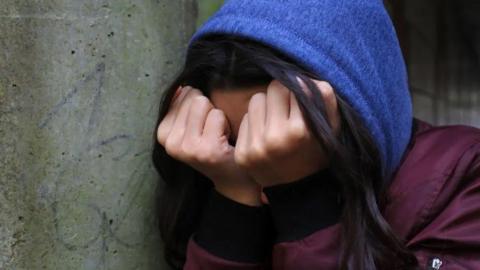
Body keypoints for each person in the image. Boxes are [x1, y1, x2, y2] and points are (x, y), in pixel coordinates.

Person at [151, 1, 480, 269]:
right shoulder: (230, 187)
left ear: (358, 115)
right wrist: (233, 206)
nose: (260, 155)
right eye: (236, 140)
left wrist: (303, 199)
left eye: (293, 137)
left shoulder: (466, 175)